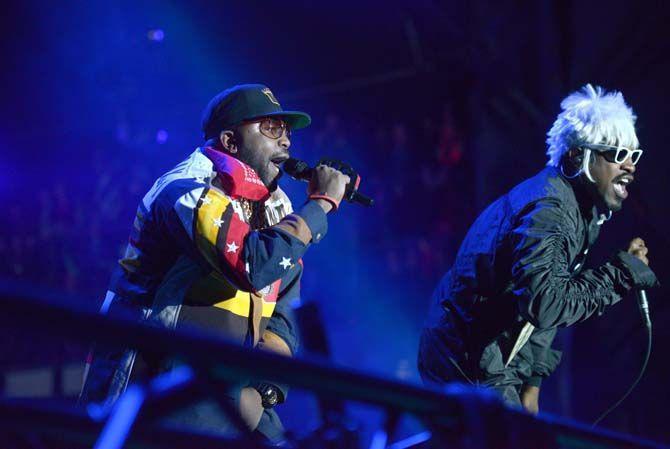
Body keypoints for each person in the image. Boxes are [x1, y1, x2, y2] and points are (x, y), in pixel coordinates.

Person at [80, 84, 351, 441]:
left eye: (287, 131)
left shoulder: (277, 206)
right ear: (230, 141)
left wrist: (263, 390)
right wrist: (318, 207)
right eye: (271, 128)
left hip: (228, 392)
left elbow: (283, 308)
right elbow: (252, 266)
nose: (285, 141)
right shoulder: (184, 190)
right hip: (155, 387)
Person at [417, 84, 658, 414]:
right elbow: (544, 302)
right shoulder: (550, 210)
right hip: (467, 357)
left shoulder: (578, 211)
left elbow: (538, 308)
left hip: (487, 355)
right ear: (577, 154)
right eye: (616, 154)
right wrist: (620, 275)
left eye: (633, 155)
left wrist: (530, 384)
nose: (629, 165)